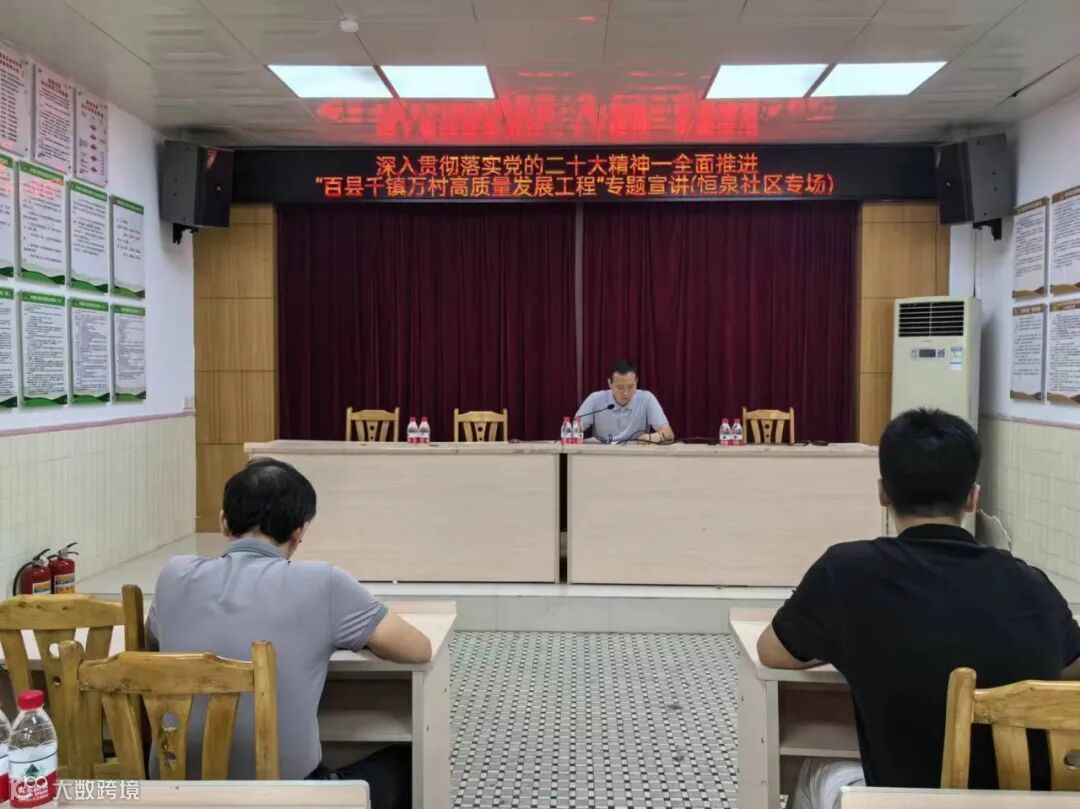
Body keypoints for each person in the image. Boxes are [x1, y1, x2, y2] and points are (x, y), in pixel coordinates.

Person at [757, 408, 1080, 806]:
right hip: (1028, 803)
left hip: (906, 800)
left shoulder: (847, 571)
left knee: (813, 772)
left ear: (883, 493)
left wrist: (843, 642)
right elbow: (1071, 665)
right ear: (972, 498)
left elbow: (772, 651)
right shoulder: (1031, 584)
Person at [147, 458, 430, 809]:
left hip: (171, 794)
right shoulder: (323, 583)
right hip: (287, 797)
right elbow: (417, 649)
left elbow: (155, 640)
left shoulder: (173, 575)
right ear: (300, 532)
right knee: (405, 764)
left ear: (223, 522)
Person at [575, 359, 674, 444]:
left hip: (636, 454)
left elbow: (669, 434)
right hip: (602, 454)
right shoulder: (595, 399)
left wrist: (653, 437)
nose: (626, 393)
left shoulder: (647, 399)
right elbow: (574, 431)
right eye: (620, 387)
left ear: (636, 382)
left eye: (631, 386)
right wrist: (575, 433)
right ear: (610, 383)